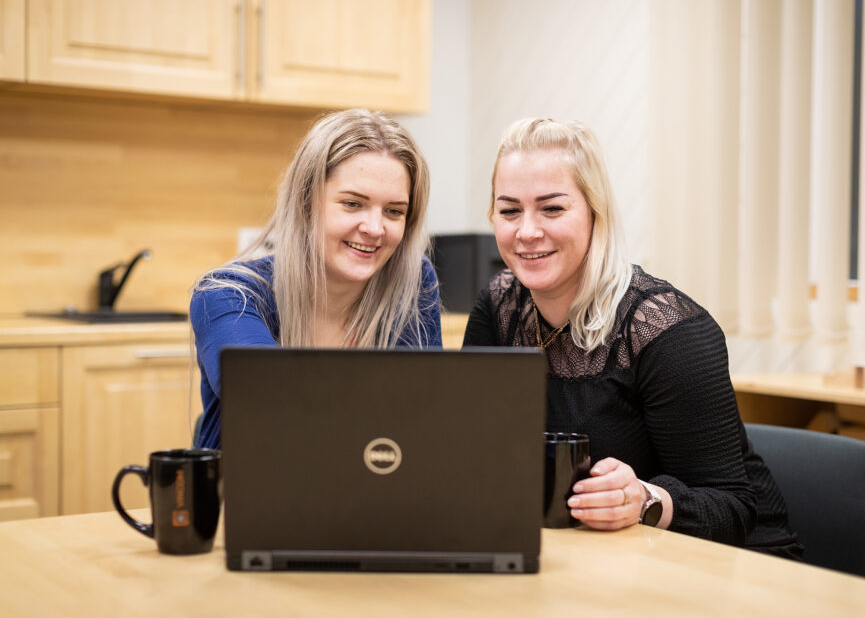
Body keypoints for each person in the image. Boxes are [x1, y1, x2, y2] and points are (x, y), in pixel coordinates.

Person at [463, 118, 802, 558]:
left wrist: (644, 499)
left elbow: (735, 508)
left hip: (733, 569)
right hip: (593, 560)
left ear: (594, 212)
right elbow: (474, 450)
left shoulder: (667, 330)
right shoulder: (499, 308)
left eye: (552, 208)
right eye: (509, 211)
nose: (527, 231)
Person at [191, 109, 442, 450]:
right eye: (353, 204)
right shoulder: (226, 295)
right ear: (306, 202)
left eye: (394, 211)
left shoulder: (413, 282)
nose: (374, 228)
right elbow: (263, 394)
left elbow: (424, 420)